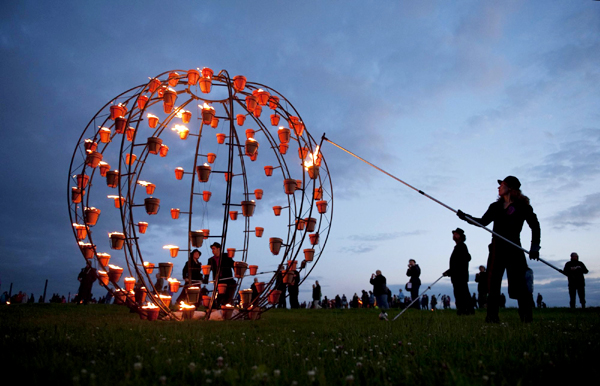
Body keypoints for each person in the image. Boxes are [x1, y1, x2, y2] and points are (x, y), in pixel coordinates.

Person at [458, 176, 540, 323]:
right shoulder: (495, 207)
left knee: (521, 285)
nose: (498, 187)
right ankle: (492, 317)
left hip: (514, 248)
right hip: (496, 250)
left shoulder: (522, 206)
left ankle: (526, 318)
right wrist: (466, 217)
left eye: (501, 185)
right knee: (493, 285)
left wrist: (534, 246)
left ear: (510, 187)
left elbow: (535, 226)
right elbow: (483, 222)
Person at [443, 228, 474, 315]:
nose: (454, 235)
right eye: (454, 234)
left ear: (461, 236)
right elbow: (456, 263)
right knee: (460, 293)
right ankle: (464, 310)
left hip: (460, 275)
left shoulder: (462, 246)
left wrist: (450, 272)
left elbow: (461, 262)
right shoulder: (458, 247)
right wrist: (449, 272)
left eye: (456, 234)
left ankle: (466, 310)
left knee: (462, 294)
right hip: (457, 275)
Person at [207, 242, 236, 307]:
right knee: (221, 295)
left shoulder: (226, 256)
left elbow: (233, 265)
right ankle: (218, 306)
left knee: (229, 295)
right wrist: (206, 278)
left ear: (219, 249)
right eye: (212, 249)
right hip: (218, 281)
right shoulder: (211, 260)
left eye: (214, 248)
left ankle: (225, 307)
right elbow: (207, 270)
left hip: (228, 279)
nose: (212, 250)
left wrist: (238, 272)